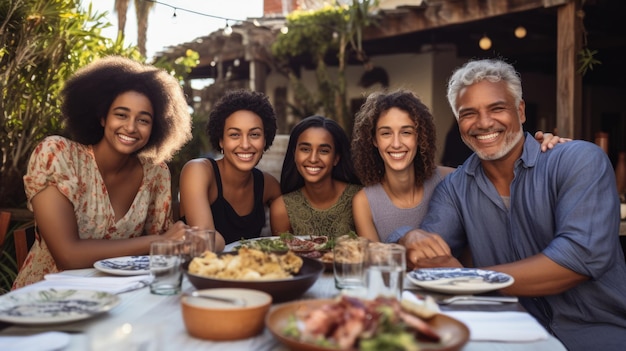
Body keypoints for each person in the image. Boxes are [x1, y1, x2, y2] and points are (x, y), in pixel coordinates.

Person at [400, 58, 626, 350]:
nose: (483, 123)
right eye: (469, 114)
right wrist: (409, 238)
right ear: (459, 124)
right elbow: (428, 256)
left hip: (599, 335)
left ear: (520, 111)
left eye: (497, 108)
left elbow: (579, 257)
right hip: (508, 334)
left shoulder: (577, 160)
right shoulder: (455, 188)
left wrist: (472, 280)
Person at [13, 56, 192, 289]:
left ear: (155, 128)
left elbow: (164, 253)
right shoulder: (58, 155)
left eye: (143, 120)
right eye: (121, 114)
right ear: (102, 117)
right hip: (45, 300)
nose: (130, 127)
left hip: (118, 296)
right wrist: (158, 242)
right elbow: (68, 256)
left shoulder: (155, 174)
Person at [350, 90, 564, 244]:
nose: (396, 143)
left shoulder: (450, 180)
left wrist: (538, 147)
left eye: (406, 132)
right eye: (386, 133)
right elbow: (374, 267)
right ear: (374, 140)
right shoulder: (365, 202)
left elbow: (498, 169)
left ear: (419, 137)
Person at [178, 90, 281, 250]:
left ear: (265, 140)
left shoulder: (269, 186)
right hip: (201, 271)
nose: (245, 144)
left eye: (254, 134)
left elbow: (285, 241)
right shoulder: (199, 172)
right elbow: (206, 239)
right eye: (234, 135)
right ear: (221, 141)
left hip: (250, 272)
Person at [270, 115, 361, 238]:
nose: (313, 159)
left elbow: (371, 250)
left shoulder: (360, 198)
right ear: (294, 154)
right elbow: (284, 256)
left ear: (336, 158)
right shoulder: (282, 208)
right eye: (305, 149)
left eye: (324, 151)